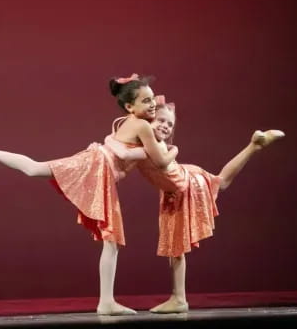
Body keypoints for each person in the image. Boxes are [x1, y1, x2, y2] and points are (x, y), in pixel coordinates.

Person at [0, 74, 177, 315]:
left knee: (109, 240)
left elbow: (122, 147)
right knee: (37, 171)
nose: (152, 104)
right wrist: (173, 148)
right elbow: (162, 162)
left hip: (100, 169)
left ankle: (106, 302)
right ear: (130, 107)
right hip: (97, 168)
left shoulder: (127, 122)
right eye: (146, 101)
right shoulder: (141, 125)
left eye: (153, 99)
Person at [110, 96, 285, 313]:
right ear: (147, 122)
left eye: (170, 124)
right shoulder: (150, 145)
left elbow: (126, 154)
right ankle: (254, 145)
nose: (165, 126)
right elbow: (126, 164)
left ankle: (179, 298)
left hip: (184, 187)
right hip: (178, 188)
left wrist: (109, 140)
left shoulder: (152, 148)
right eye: (161, 121)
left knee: (177, 246)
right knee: (219, 184)